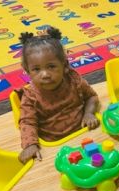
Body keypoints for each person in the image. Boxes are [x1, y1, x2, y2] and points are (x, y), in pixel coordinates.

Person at [17, 26, 100, 164]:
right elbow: (27, 122)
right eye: (36, 69)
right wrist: (30, 144)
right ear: (27, 71)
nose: (45, 74)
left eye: (51, 66)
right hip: (53, 147)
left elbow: (91, 96)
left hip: (84, 134)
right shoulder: (30, 96)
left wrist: (89, 114)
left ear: (65, 65)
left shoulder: (74, 80)